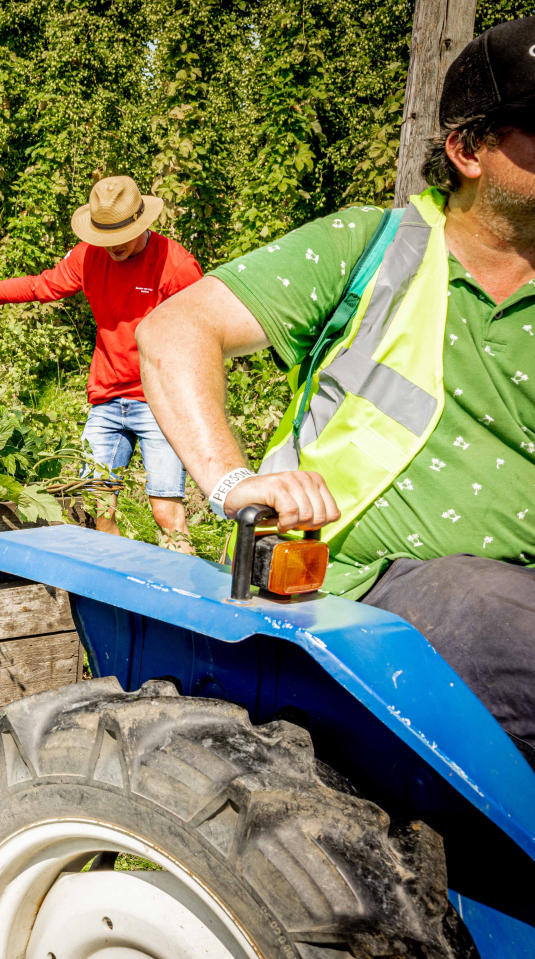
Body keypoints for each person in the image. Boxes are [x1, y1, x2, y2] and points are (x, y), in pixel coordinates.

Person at [137, 17, 535, 763]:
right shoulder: (375, 249)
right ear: (467, 149)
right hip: (360, 582)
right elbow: (173, 332)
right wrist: (234, 483)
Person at [0, 176, 204, 550]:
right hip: (107, 398)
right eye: (104, 236)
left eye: (120, 235)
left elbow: (202, 336)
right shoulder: (89, 255)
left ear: (141, 223)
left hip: (159, 401)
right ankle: (117, 587)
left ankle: (183, 593)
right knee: (100, 506)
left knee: (165, 509)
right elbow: (41, 286)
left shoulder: (176, 266)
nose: (112, 246)